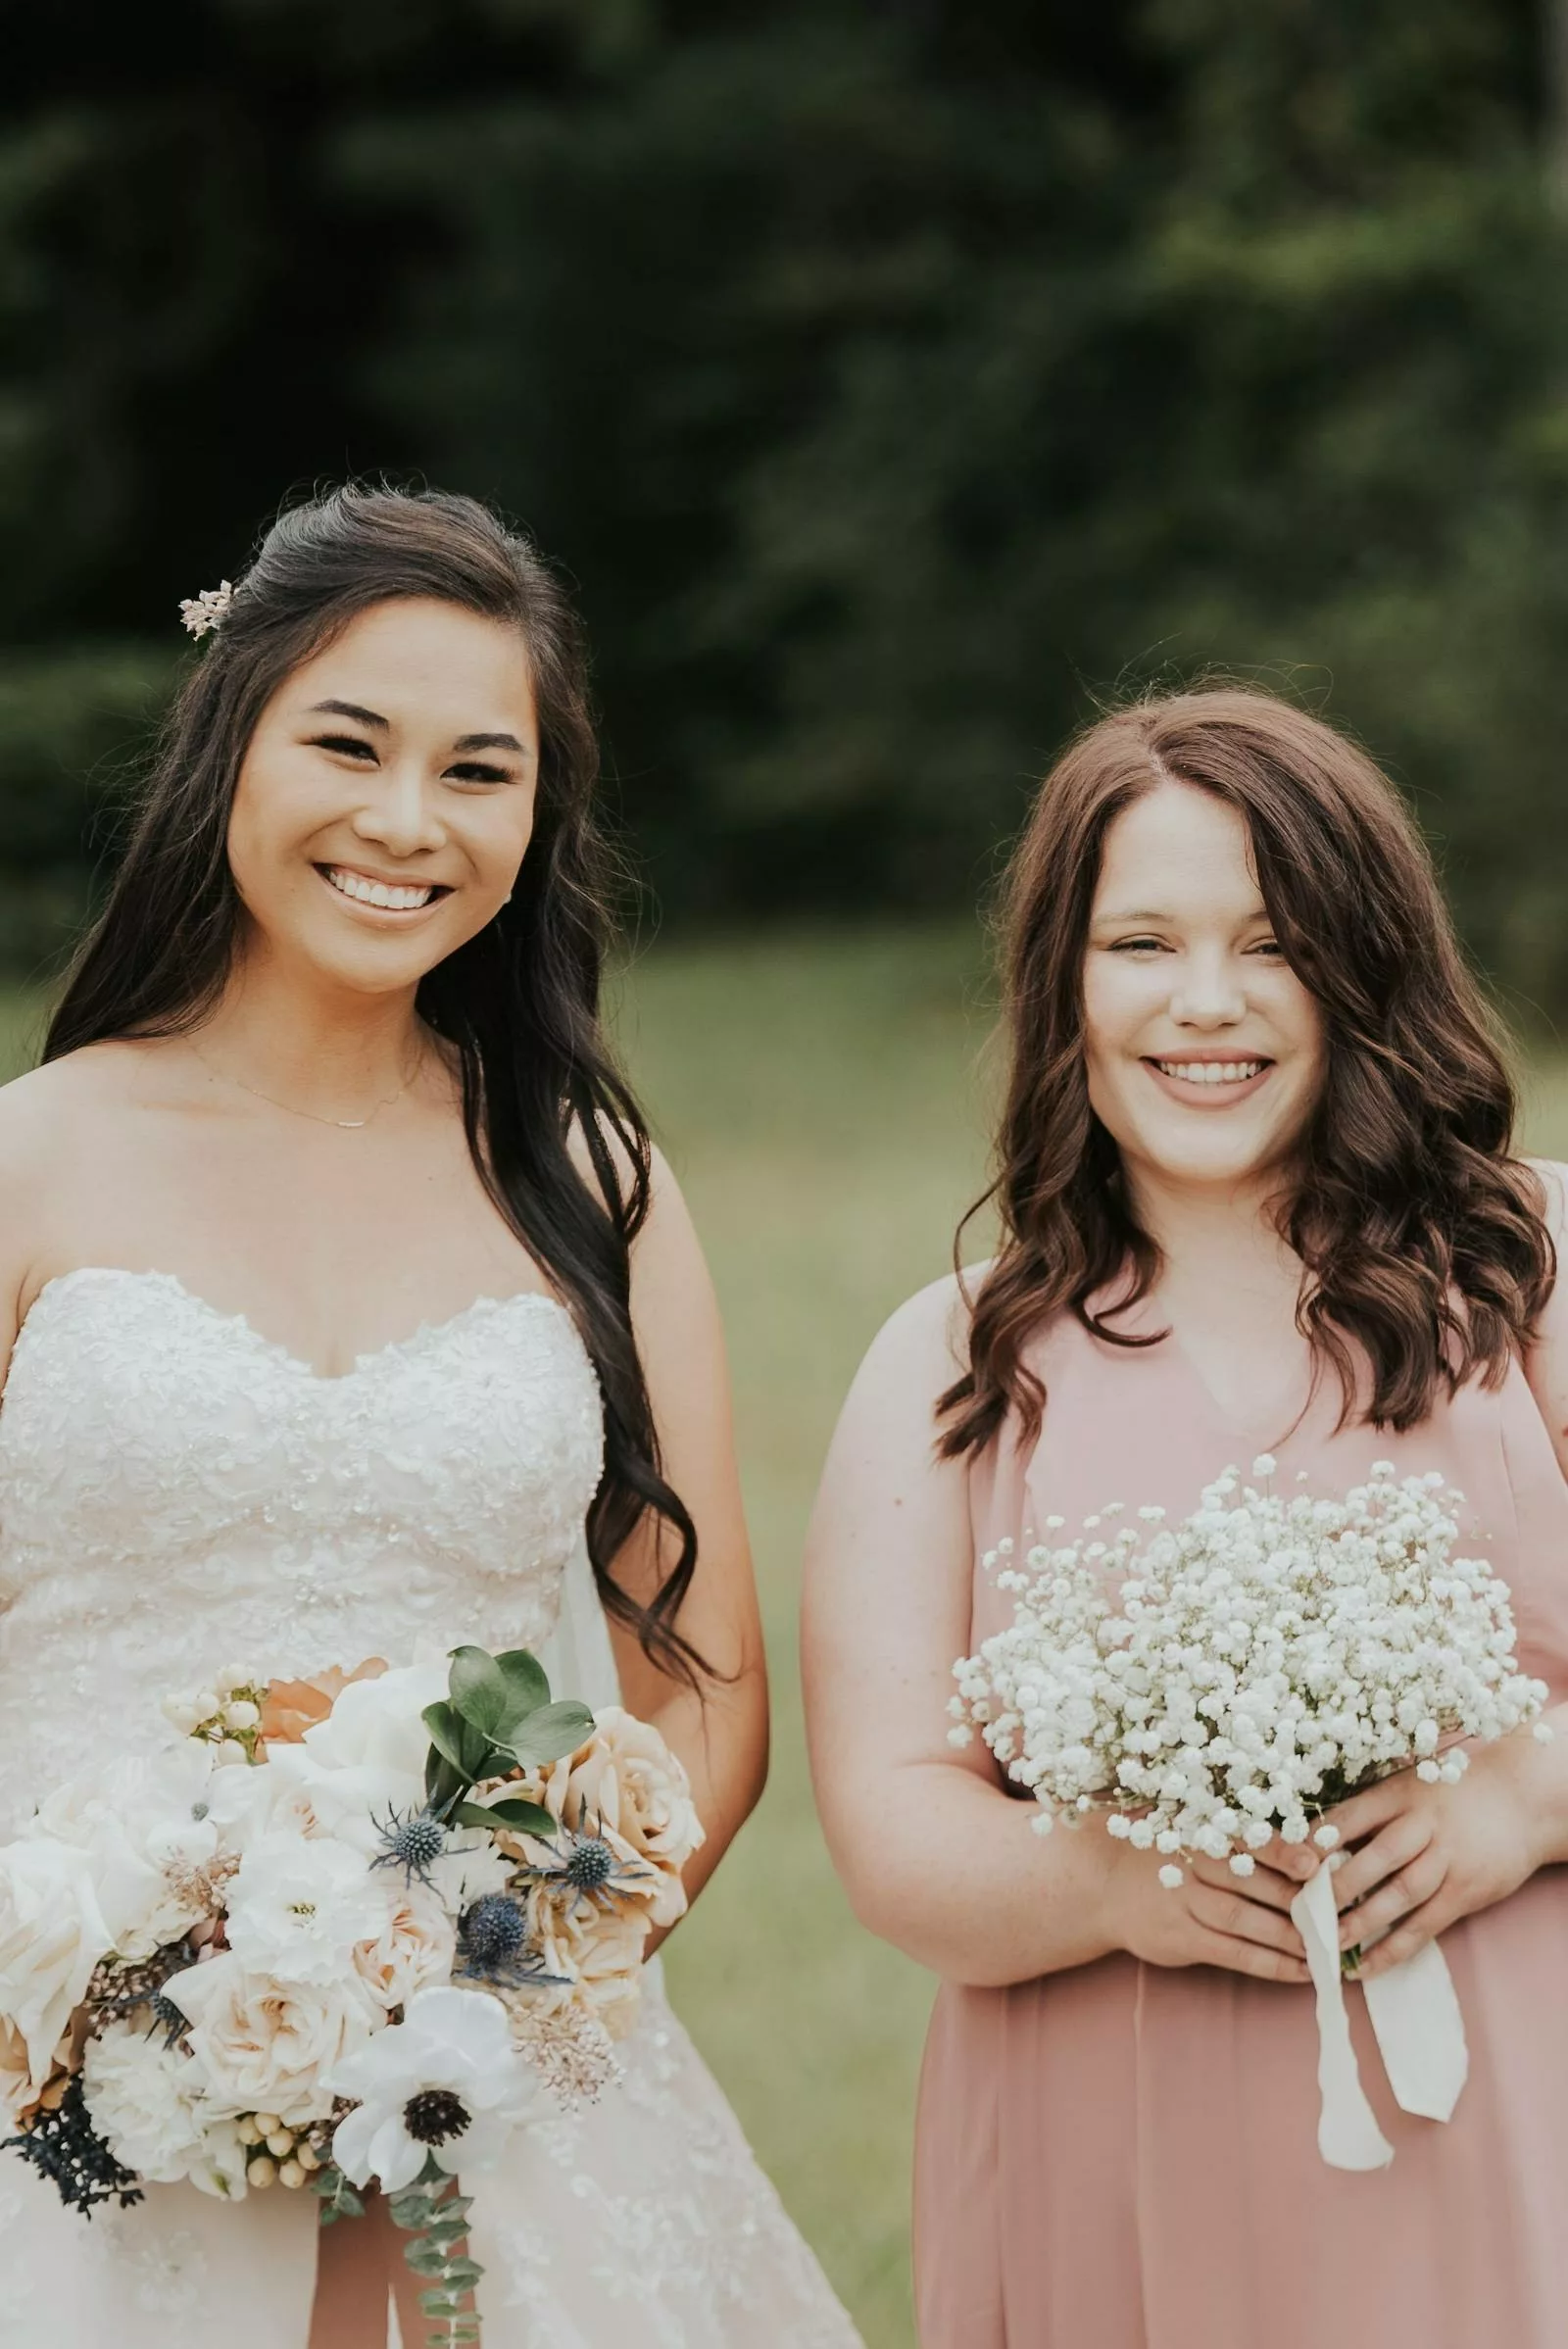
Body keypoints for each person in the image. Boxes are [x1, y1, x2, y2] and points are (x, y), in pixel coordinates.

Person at [0, 483, 862, 2348]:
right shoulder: (28, 1162)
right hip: (45, 2091)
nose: (408, 822)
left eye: (480, 769)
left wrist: (478, 1993)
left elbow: (700, 1683)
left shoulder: (587, 1177)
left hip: (501, 2083)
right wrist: (111, 1998)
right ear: (231, 743)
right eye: (349, 744)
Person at [804, 686, 1568, 2349]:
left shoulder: (1538, 1276)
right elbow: (885, 1822)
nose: (1205, 1004)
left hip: (1523, 2126)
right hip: (1105, 2152)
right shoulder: (950, 1363)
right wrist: (1105, 1881)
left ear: (1364, 970)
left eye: (1274, 944)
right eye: (1142, 943)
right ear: (1063, 982)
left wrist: (1524, 1794)